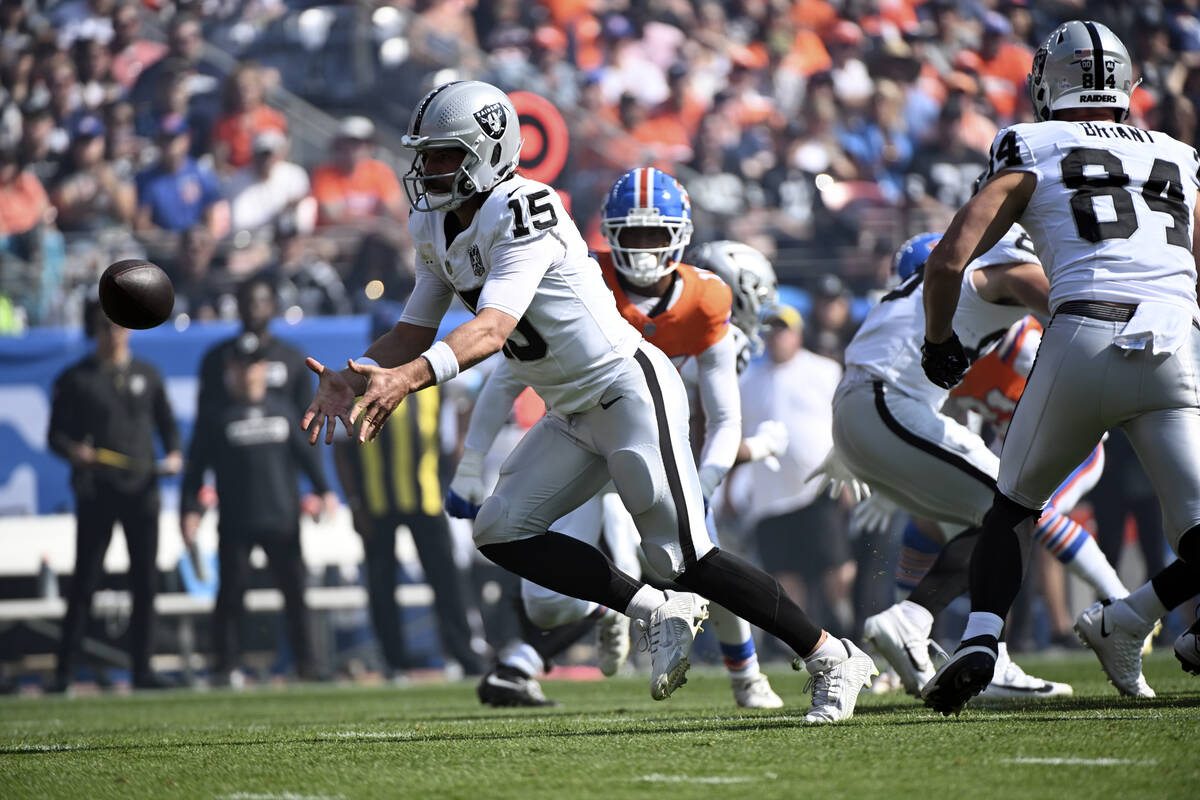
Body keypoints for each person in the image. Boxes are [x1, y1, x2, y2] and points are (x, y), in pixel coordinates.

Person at [302, 81, 877, 724]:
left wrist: (406, 379)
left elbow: (492, 329)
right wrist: (358, 376)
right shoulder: (433, 224)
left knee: (684, 557)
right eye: (426, 155)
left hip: (626, 389)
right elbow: (414, 328)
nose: (429, 169)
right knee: (500, 529)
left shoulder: (526, 208)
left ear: (489, 153)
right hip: (570, 411)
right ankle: (653, 610)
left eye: (444, 155)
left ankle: (832, 655)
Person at [919, 21, 1200, 712]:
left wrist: (938, 344)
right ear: (1125, 84)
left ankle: (982, 638)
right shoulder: (1180, 155)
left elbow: (951, 255)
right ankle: (1131, 615)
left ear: (1047, 82)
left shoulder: (1031, 143)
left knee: (1011, 509)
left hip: (1082, 335)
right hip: (1175, 344)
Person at [458, 179, 788, 710]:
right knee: (544, 604)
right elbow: (505, 376)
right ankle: (610, 608)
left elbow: (723, 419)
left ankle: (747, 677)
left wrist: (703, 482)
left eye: (655, 235)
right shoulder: (584, 278)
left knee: (697, 556)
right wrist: (471, 461)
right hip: (580, 441)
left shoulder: (706, 304)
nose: (643, 249)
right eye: (631, 235)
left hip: (653, 447)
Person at [830, 226, 1112, 700]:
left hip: (865, 408)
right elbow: (1039, 294)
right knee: (1012, 508)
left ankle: (915, 620)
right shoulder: (1008, 266)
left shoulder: (937, 286)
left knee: (991, 519)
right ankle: (988, 654)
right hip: (886, 403)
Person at [333, 305, 485, 679]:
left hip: (426, 495)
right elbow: (341, 447)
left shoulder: (429, 375)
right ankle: (394, 661)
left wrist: (462, 444)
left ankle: (462, 654)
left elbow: (474, 388)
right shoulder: (360, 382)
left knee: (445, 581)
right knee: (382, 584)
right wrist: (354, 501)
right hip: (376, 500)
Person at [181, 333, 337, 683]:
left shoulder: (283, 411)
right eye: (240, 366)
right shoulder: (216, 416)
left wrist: (324, 491)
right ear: (229, 370)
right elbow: (195, 469)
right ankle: (226, 666)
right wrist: (188, 509)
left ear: (263, 369)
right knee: (231, 596)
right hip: (237, 520)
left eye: (253, 366)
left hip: (282, 517)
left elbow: (307, 456)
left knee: (295, 595)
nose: (247, 373)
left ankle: (306, 665)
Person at [47, 299, 182, 691]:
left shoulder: (148, 374)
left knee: (145, 582)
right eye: (104, 327)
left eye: (118, 327)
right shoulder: (77, 378)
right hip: (96, 491)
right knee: (85, 581)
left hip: (141, 489)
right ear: (95, 331)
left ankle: (143, 670)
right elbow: (55, 436)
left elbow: (167, 425)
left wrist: (173, 454)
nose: (112, 334)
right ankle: (65, 673)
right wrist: (75, 451)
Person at [733, 303, 854, 638]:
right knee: (785, 573)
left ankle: (844, 626)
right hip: (770, 494)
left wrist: (848, 473)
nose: (776, 337)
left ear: (798, 333)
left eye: (783, 328)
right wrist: (730, 487)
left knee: (837, 566)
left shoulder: (825, 370)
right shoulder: (747, 380)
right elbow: (736, 433)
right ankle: (803, 639)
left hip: (819, 485)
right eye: (770, 330)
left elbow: (843, 424)